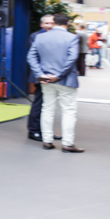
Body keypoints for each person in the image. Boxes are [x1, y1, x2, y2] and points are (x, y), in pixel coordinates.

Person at [27, 13, 84, 153]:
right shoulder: (72, 37)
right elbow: (72, 58)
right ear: (67, 23)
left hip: (45, 79)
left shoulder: (40, 37)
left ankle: (47, 140)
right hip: (66, 80)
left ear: (54, 22)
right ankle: (68, 144)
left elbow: (31, 56)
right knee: (68, 111)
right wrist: (58, 75)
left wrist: (40, 74)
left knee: (47, 108)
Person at [26, 15, 55, 142]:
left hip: (53, 75)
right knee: (39, 103)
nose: (50, 25)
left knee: (49, 105)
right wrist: (42, 74)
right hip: (42, 75)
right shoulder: (35, 36)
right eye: (47, 23)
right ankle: (33, 130)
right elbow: (35, 57)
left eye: (52, 22)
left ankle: (46, 132)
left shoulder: (56, 35)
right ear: (41, 24)